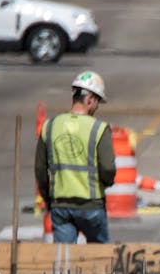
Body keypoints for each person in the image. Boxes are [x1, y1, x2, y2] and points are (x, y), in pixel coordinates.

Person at [35, 71, 116, 244]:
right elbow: (108, 168)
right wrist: (106, 183)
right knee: (99, 261)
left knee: (64, 262)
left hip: (60, 206)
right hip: (91, 206)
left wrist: (47, 197)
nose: (97, 107)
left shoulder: (50, 126)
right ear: (89, 99)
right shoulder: (98, 128)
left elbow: (40, 169)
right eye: (97, 102)